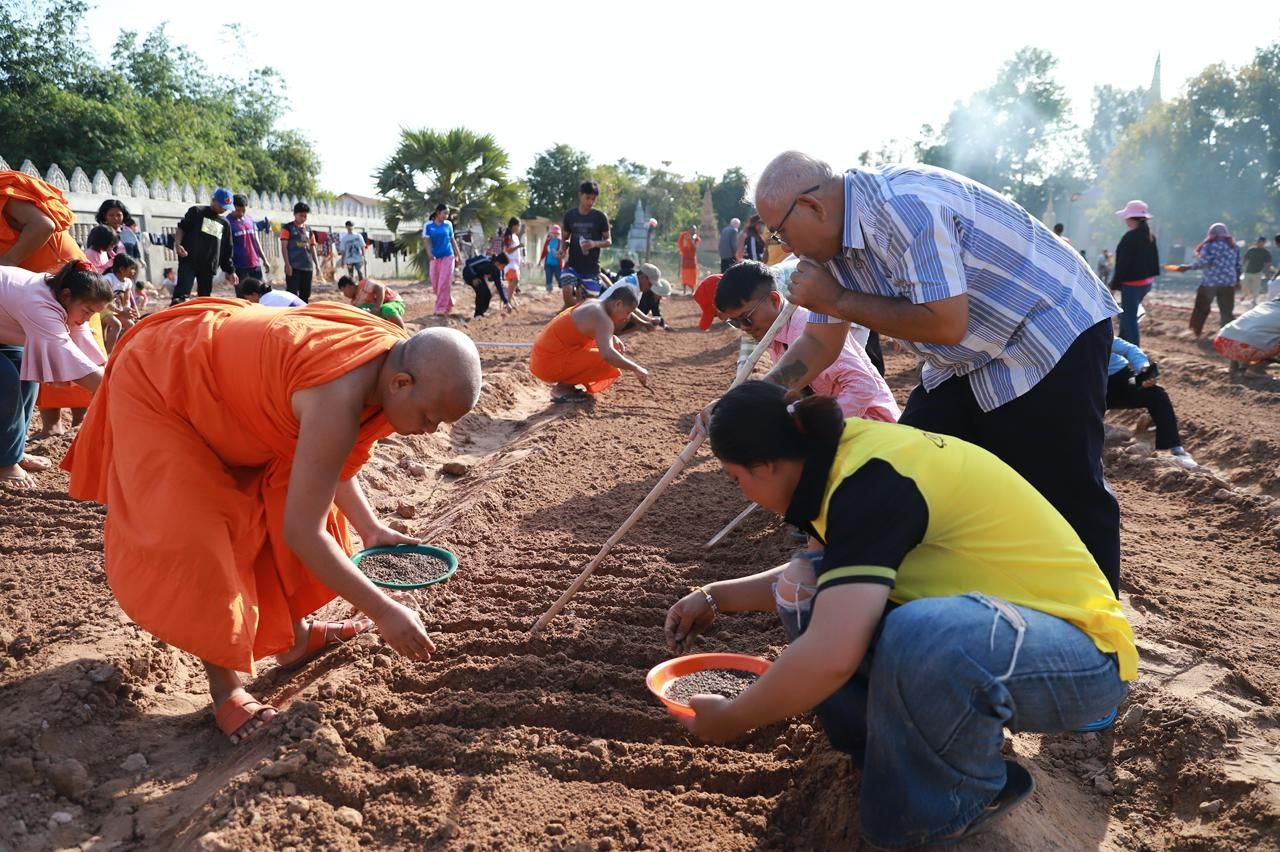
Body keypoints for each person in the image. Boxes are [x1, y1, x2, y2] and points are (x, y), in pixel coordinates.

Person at [664, 382, 1136, 848]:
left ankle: (953, 802)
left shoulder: (872, 481)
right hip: (1001, 635)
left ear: (766, 465)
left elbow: (832, 654)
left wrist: (733, 717)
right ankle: (879, 754)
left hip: (1081, 657)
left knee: (921, 633)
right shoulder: (840, 464)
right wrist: (714, 596)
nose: (742, 493)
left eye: (736, 478)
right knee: (804, 582)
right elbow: (828, 577)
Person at [63, 302, 481, 743]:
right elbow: (304, 533)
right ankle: (225, 690)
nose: (431, 431)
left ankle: (294, 639)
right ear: (401, 383)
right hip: (163, 380)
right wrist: (384, 611)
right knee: (204, 533)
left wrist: (370, 528)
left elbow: (328, 458)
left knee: (286, 497)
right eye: (430, 417)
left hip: (230, 390)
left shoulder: (386, 359)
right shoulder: (337, 395)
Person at [743, 152, 1122, 592]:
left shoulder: (904, 206)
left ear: (813, 207)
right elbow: (820, 343)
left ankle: (1101, 621)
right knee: (901, 472)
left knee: (1063, 485)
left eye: (780, 232)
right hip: (963, 356)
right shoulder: (829, 250)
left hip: (1045, 328)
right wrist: (756, 400)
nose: (785, 247)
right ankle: (886, 589)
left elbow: (945, 322)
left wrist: (838, 300)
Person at [716, 262, 899, 422]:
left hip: (872, 426)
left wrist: (817, 427)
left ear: (774, 300)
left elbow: (863, 387)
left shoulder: (805, 328)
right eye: (735, 323)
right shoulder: (775, 337)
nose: (743, 327)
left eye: (746, 318)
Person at [2, 261, 110, 486]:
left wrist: (114, 379)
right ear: (67, 295)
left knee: (23, 370)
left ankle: (12, 450)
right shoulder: (39, 303)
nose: (87, 318)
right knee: (5, 380)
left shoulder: (68, 301)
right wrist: (118, 392)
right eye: (87, 311)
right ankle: (4, 463)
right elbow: (67, 356)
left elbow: (87, 352)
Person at [530, 287, 650, 401]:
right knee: (609, 360)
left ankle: (567, 385)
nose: (627, 317)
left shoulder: (593, 303)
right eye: (628, 312)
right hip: (547, 365)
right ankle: (562, 388)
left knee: (614, 348)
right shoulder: (603, 319)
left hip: (541, 358)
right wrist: (636, 368)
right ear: (618, 304)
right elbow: (608, 355)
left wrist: (612, 337)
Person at [1107, 338, 1196, 466]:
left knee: (1156, 394)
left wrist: (1143, 369)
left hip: (1118, 379)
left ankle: (1177, 450)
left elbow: (1129, 349)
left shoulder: (1098, 332)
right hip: (1087, 386)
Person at [0, 170, 86, 273]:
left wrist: (8, 261)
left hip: (65, 274)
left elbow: (43, 226)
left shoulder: (3, 189)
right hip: (39, 276)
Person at [172, 187, 237, 304]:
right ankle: (175, 313)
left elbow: (227, 250)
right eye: (221, 206)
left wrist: (230, 271)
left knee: (205, 299)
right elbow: (181, 228)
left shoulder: (225, 223)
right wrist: (177, 244)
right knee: (181, 296)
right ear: (213, 200)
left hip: (208, 267)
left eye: (226, 208)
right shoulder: (197, 212)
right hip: (189, 262)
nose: (223, 209)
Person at [1110, 201, 1161, 345]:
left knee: (1129, 320)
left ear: (1132, 218)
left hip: (1132, 285)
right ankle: (1123, 346)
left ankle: (1134, 351)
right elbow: (1153, 262)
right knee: (1126, 316)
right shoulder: (1150, 236)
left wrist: (1113, 286)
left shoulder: (1130, 237)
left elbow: (1122, 265)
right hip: (1146, 284)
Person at [1181, 223, 1241, 337]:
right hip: (1228, 283)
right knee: (1226, 311)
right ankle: (1227, 335)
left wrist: (1188, 267)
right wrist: (1237, 281)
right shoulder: (1234, 247)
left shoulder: (1209, 246)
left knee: (1201, 308)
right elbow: (1238, 265)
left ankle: (1195, 332)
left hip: (1210, 283)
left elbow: (1203, 263)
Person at [560, 181, 611, 307]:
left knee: (589, 304)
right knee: (567, 293)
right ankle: (571, 311)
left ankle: (578, 310)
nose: (590, 202)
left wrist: (594, 243)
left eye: (593, 199)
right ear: (580, 195)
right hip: (573, 265)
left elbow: (608, 241)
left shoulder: (600, 217)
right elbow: (565, 239)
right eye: (588, 198)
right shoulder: (570, 216)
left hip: (591, 269)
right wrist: (562, 249)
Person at [1214, 297, 1280, 376]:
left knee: (1251, 333)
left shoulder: (1265, 305)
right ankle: (1256, 369)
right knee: (1269, 339)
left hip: (1222, 342)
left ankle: (1235, 367)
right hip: (1244, 348)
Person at [422, 205, 460, 316]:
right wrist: (429, 253)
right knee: (435, 285)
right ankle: (449, 301)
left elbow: (452, 240)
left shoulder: (448, 224)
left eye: (447, 214)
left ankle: (440, 309)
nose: (446, 216)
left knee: (443, 282)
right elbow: (426, 241)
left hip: (448, 256)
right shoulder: (428, 225)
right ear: (438, 212)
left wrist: (458, 255)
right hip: (434, 258)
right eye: (444, 213)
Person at [279, 202, 319, 303]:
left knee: (305, 294)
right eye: (301, 215)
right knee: (291, 294)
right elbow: (284, 247)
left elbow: (312, 247)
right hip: (293, 266)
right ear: (294, 214)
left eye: (305, 216)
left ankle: (303, 311)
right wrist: (287, 264)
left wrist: (317, 265)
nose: (303, 218)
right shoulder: (287, 228)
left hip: (307, 267)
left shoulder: (309, 229)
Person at [101, 253, 141, 351]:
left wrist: (127, 309)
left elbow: (126, 300)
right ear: (122, 269)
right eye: (132, 268)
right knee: (115, 325)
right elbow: (106, 302)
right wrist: (121, 312)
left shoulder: (128, 282)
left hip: (116, 310)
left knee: (130, 324)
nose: (134, 271)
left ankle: (125, 350)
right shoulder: (108, 279)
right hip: (103, 308)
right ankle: (109, 354)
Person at [337, 276, 406, 329]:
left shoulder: (364, 284)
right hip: (379, 310)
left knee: (387, 308)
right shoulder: (354, 302)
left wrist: (377, 307)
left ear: (348, 286)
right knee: (357, 310)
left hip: (393, 302)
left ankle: (404, 332)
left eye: (343, 291)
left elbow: (380, 288)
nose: (344, 295)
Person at [229, 195, 270, 283]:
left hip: (255, 264)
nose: (241, 213)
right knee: (243, 291)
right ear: (232, 207)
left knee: (259, 290)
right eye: (238, 210)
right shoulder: (227, 223)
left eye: (243, 210)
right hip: (239, 267)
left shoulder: (250, 220)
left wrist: (264, 260)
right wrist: (229, 270)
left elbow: (256, 241)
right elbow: (225, 248)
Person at [461, 252, 509, 318]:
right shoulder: (485, 260)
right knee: (481, 291)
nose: (503, 268)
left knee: (487, 294)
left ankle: (481, 313)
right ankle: (478, 314)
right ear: (498, 263)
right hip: (469, 273)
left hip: (479, 277)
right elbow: (468, 263)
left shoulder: (497, 271)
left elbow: (499, 286)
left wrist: (506, 302)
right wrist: (473, 277)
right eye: (503, 266)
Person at [1241, 237, 1273, 309]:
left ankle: (1254, 301)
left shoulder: (1265, 252)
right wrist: (1242, 266)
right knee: (1245, 285)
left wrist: (1266, 271)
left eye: (1260, 241)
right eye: (1258, 241)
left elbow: (1268, 262)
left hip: (1258, 272)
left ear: (1264, 243)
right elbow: (1245, 258)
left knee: (1256, 287)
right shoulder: (1251, 250)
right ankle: (1245, 295)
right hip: (1248, 271)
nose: (1259, 243)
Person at [237, 277, 305, 307]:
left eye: (248, 298)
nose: (249, 302)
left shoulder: (264, 302)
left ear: (254, 294)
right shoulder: (271, 294)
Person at [502, 217, 523, 303]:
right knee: (515, 279)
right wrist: (518, 246)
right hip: (510, 264)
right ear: (514, 226)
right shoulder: (508, 236)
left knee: (513, 283)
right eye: (519, 226)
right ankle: (508, 302)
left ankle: (508, 301)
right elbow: (508, 250)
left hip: (515, 264)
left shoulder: (515, 237)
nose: (519, 228)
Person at [677, 224, 700, 295]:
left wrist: (691, 240)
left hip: (692, 260)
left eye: (695, 230)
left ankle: (692, 291)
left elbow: (695, 247)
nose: (693, 231)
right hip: (685, 259)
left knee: (693, 275)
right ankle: (684, 291)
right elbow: (680, 243)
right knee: (684, 275)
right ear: (689, 230)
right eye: (692, 229)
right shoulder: (684, 236)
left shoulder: (696, 238)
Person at [541, 224, 563, 293]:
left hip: (557, 264)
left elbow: (563, 252)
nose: (555, 235)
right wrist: (540, 260)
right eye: (554, 233)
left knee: (560, 279)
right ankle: (549, 292)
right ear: (551, 233)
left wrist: (558, 254)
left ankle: (562, 291)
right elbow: (544, 251)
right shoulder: (548, 241)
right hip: (548, 263)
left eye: (557, 233)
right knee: (548, 279)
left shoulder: (560, 242)